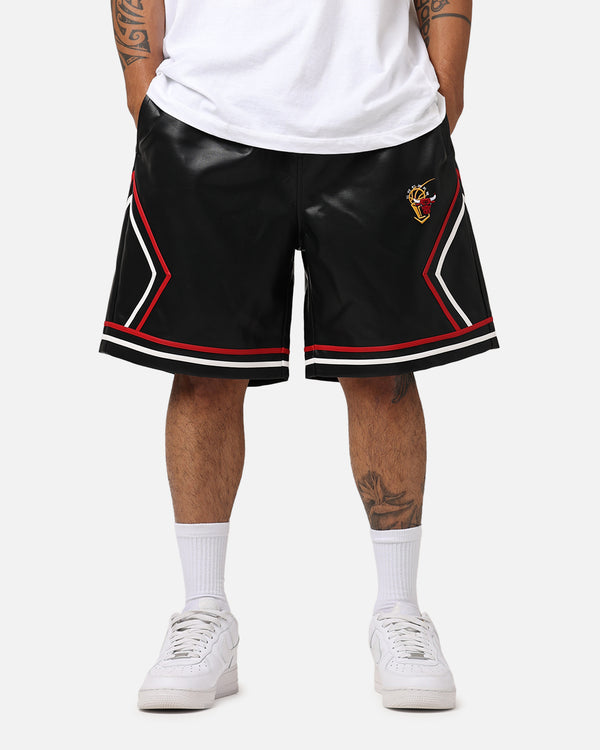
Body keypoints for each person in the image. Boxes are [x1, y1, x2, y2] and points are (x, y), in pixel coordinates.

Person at [101, 0, 498, 711]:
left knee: (384, 372)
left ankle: (399, 611)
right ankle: (203, 611)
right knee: (202, 372)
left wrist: (448, 79)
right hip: (205, 109)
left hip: (381, 111)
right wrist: (143, 84)